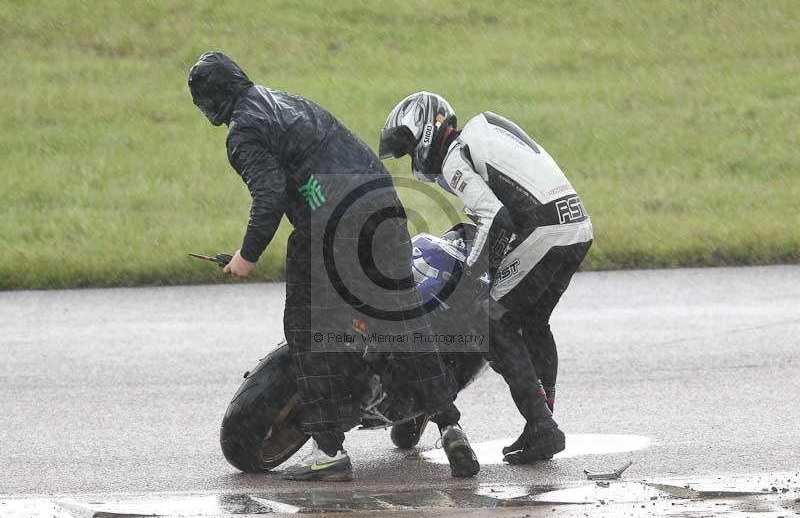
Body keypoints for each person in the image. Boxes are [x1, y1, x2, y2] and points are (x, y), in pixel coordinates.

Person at [187, 54, 479, 480]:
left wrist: (246, 257)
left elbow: (268, 195)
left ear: (208, 101)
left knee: (307, 334)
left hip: (333, 227)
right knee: (403, 319)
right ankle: (451, 427)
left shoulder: (243, 131)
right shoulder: (285, 101)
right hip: (383, 207)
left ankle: (329, 451)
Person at [379, 92, 593, 464]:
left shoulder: (454, 157)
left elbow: (495, 218)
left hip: (543, 232)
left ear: (427, 131)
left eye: (411, 149)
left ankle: (542, 425)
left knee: (490, 324)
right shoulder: (483, 134)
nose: (415, 159)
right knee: (534, 322)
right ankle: (542, 424)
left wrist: (470, 279)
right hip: (576, 227)